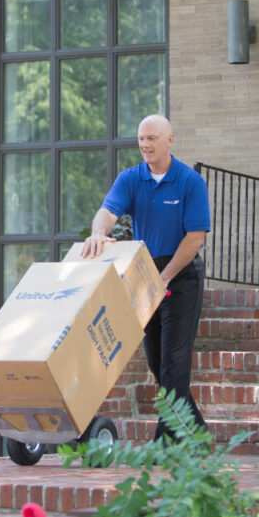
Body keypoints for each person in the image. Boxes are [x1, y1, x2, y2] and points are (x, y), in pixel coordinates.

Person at [81, 115, 210, 440]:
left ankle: (164, 445)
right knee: (157, 364)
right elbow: (109, 211)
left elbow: (195, 237)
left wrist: (164, 278)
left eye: (152, 138)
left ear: (169, 140)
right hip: (143, 274)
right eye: (141, 138)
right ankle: (197, 433)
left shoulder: (189, 182)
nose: (145, 144)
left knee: (173, 367)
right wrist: (98, 232)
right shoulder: (131, 179)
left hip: (179, 276)